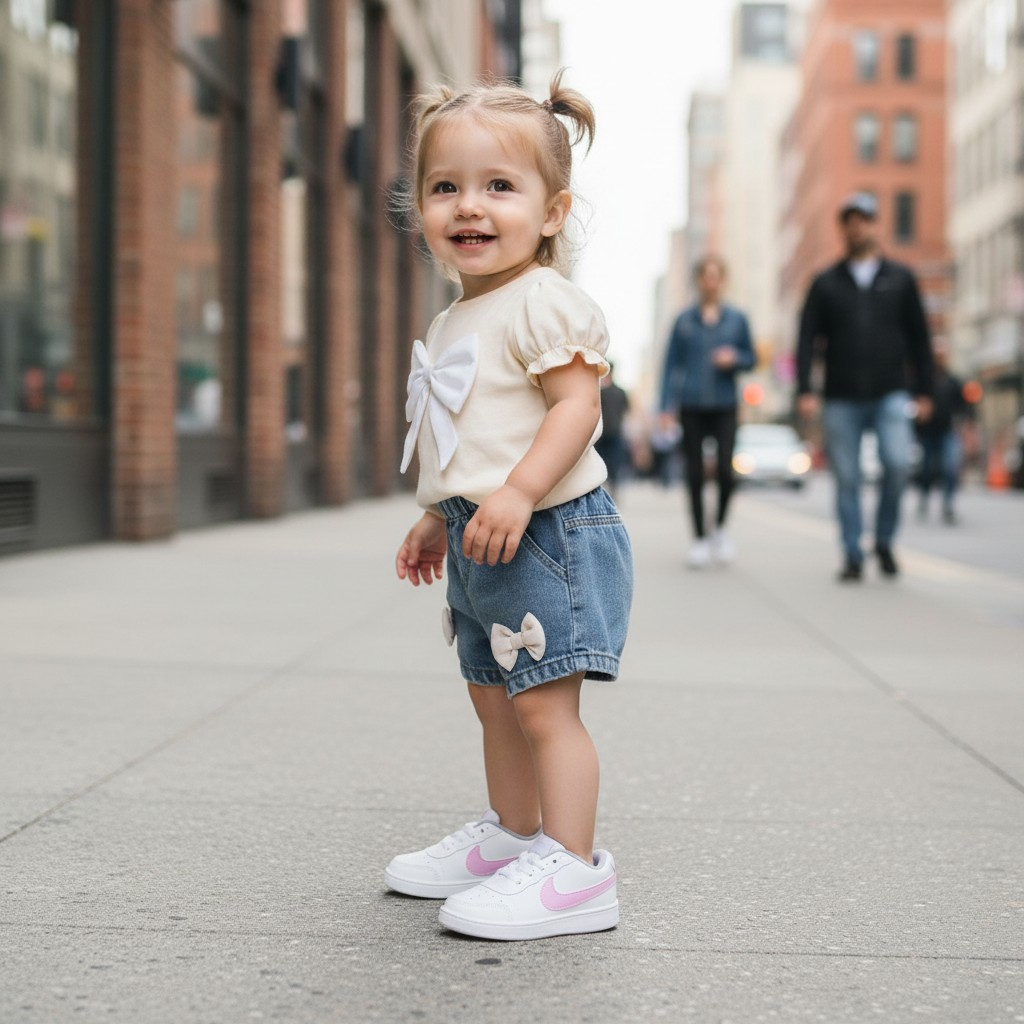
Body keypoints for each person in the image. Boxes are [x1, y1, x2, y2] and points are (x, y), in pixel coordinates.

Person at [388, 72, 633, 942]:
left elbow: (576, 408)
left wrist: (522, 491)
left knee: (544, 708)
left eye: (499, 185)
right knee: (493, 695)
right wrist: (437, 514)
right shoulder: (457, 316)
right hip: (482, 536)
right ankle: (514, 836)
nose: (469, 206)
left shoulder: (543, 302)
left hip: (550, 533)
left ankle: (573, 869)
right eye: (445, 186)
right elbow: (472, 435)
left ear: (552, 211)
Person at [797, 192, 934, 581]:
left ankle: (885, 541)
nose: (857, 227)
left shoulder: (901, 278)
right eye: (850, 221)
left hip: (891, 392)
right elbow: (807, 339)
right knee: (847, 478)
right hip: (841, 396)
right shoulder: (826, 282)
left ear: (875, 225)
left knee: (897, 464)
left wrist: (925, 391)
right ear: (843, 229)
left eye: (864, 220)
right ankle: (853, 553)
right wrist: (805, 389)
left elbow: (920, 338)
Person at [658, 255, 756, 568]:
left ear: (722, 281)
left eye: (716, 276)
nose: (710, 282)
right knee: (695, 473)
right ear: (699, 280)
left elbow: (752, 358)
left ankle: (720, 529)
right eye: (705, 276)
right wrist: (665, 407)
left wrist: (735, 358)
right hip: (691, 405)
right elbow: (670, 365)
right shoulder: (684, 321)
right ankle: (699, 538)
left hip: (726, 404)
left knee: (726, 471)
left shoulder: (737, 319)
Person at [915, 344, 968, 524]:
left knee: (950, 467)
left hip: (947, 431)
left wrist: (963, 423)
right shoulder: (924, 382)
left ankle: (948, 505)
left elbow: (963, 406)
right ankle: (924, 498)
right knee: (927, 469)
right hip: (927, 433)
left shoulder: (953, 382)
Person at [594, 360, 630, 498]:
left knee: (602, 461)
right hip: (615, 431)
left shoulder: (599, 392)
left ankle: (604, 489)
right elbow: (626, 411)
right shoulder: (621, 392)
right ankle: (613, 488)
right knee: (614, 462)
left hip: (602, 432)